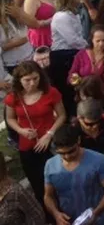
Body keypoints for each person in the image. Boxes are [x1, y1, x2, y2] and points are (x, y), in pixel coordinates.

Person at [4, 61, 66, 202]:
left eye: (35, 79)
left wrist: (49, 134)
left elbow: (62, 115)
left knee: (56, 179)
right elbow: (10, 118)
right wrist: (21, 130)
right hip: (27, 144)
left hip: (49, 142)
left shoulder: (50, 92)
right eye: (27, 80)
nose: (32, 83)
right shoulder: (13, 97)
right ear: (19, 80)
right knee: (37, 182)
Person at [43, 124, 104, 225]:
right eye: (61, 153)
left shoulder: (99, 161)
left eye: (71, 151)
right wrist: (56, 214)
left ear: (79, 141)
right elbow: (48, 196)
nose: (67, 156)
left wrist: (96, 213)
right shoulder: (50, 165)